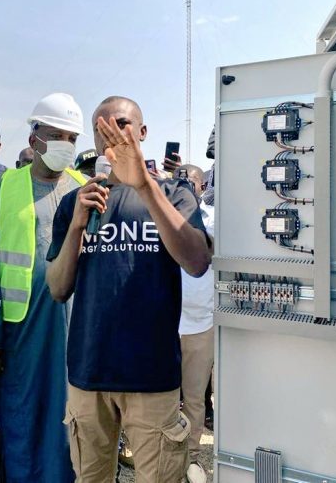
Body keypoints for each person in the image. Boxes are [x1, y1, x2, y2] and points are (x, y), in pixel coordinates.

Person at [46, 96, 211, 482]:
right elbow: (57, 289)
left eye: (121, 124)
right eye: (101, 127)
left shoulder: (174, 194)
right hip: (89, 376)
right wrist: (75, 227)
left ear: (142, 132)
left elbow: (197, 262)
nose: (113, 135)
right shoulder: (77, 200)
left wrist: (145, 187)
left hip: (151, 377)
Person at [0, 93, 87, 483]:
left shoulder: (84, 188)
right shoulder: (3, 191)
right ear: (34, 136)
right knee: (22, 419)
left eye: (72, 138)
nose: (65, 145)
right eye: (56, 135)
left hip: (73, 331)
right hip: (19, 334)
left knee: (69, 420)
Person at [175, 163, 215, 483]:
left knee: (194, 397)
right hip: (164, 324)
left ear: (202, 187)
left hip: (200, 324)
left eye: (192, 182)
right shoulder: (161, 216)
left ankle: (191, 458)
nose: (187, 186)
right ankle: (161, 455)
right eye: (181, 181)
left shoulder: (211, 220)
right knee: (159, 396)